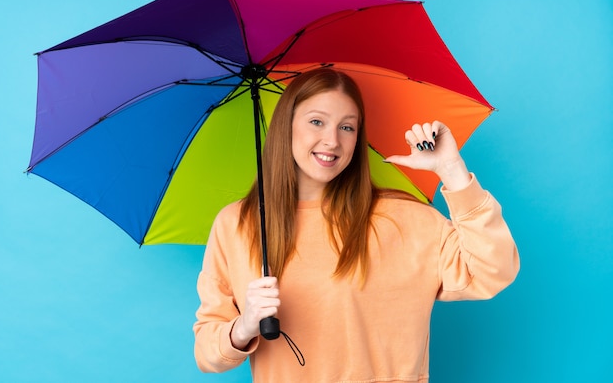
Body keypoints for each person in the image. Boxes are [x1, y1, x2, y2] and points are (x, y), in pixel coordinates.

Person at [193, 68, 519, 382]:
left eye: (347, 127)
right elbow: (207, 351)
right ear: (285, 127)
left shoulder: (405, 217)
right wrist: (244, 326)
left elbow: (494, 270)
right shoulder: (239, 224)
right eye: (317, 122)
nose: (332, 140)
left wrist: (452, 170)